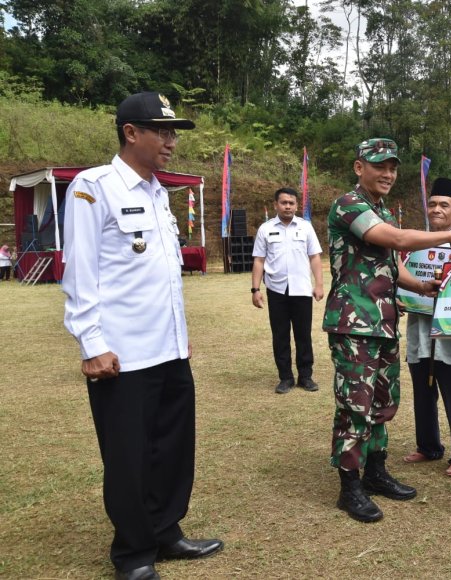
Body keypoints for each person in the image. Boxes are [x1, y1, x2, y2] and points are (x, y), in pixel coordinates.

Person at [61, 92, 222, 580]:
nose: (171, 141)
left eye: (173, 132)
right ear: (131, 133)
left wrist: (180, 338)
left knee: (173, 446)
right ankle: (133, 554)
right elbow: (80, 274)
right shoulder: (95, 187)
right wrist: (92, 344)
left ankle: (165, 530)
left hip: (169, 348)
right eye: (163, 131)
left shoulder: (159, 192)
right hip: (122, 353)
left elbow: (162, 275)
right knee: (128, 457)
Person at [322, 138, 451, 523]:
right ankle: (350, 486)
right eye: (380, 166)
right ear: (360, 168)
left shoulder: (381, 209)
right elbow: (396, 240)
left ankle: (376, 471)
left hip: (384, 322)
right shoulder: (349, 205)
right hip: (354, 324)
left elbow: (392, 265)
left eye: (393, 167)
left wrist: (423, 287)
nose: (388, 174)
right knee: (354, 406)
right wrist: (450, 236)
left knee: (380, 403)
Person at [402, 177, 451, 477]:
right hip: (419, 329)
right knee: (422, 391)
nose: (436, 209)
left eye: (444, 205)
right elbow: (402, 275)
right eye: (432, 204)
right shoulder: (415, 242)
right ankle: (429, 446)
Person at [252, 187, 324, 394]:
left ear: (296, 205)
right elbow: (259, 260)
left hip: (301, 289)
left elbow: (315, 257)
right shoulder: (265, 229)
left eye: (291, 203)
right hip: (276, 290)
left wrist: (319, 284)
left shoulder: (305, 227)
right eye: (283, 202)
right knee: (280, 335)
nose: (288, 206)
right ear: (276, 205)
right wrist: (255, 289)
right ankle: (285, 378)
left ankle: (306, 376)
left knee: (303, 335)